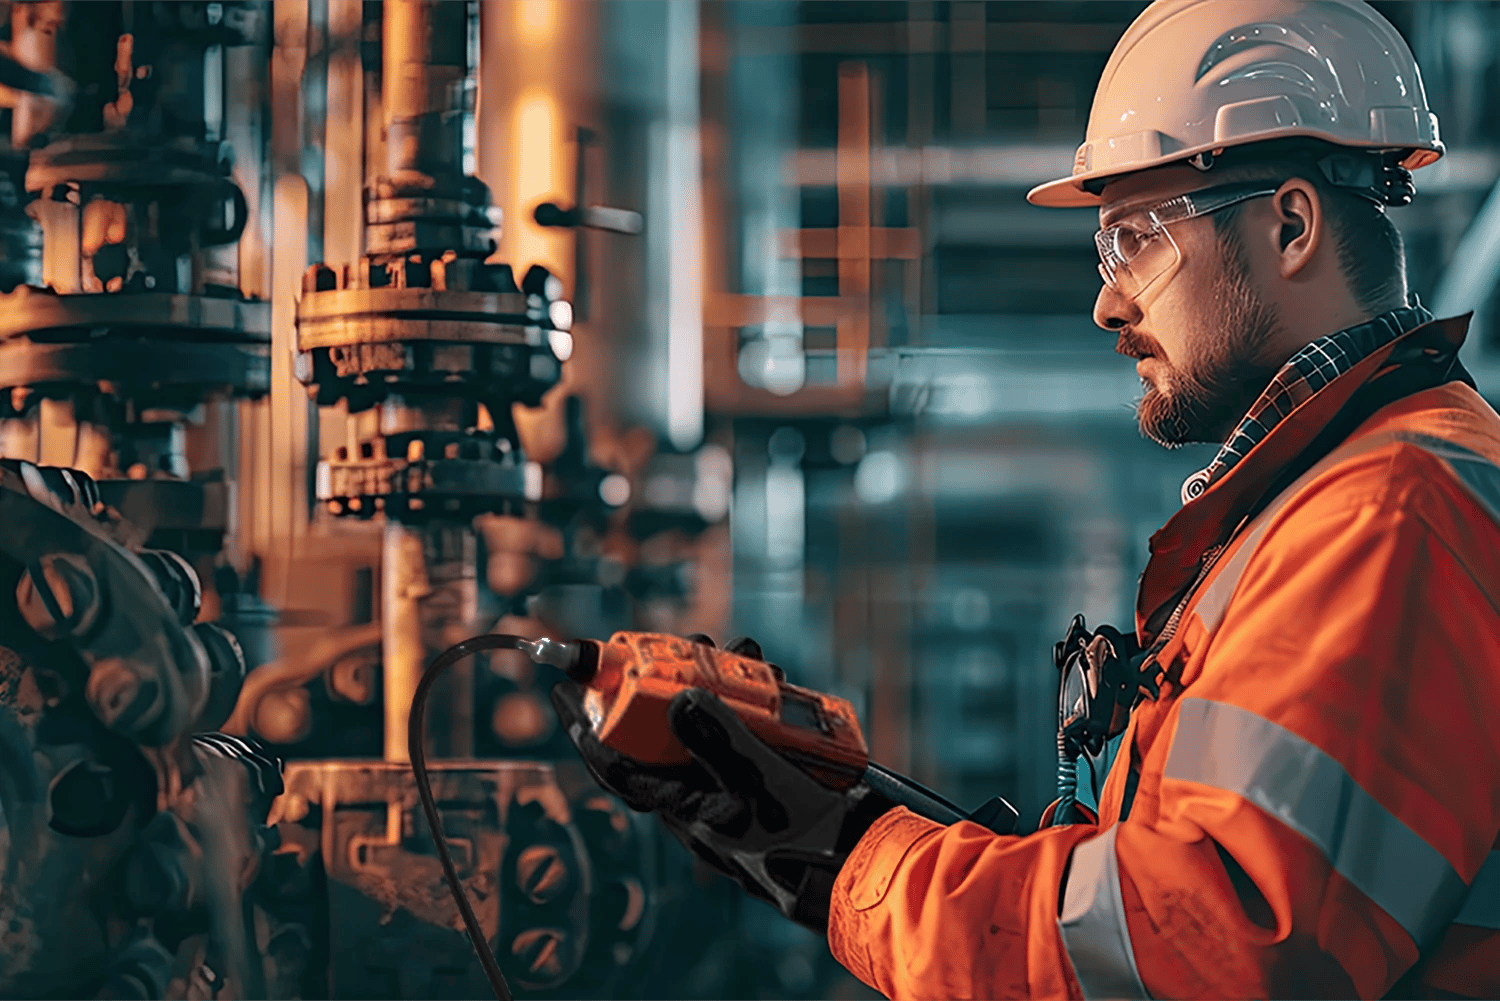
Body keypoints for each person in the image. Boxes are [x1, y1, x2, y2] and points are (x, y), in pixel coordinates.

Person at [553, 1, 1500, 997]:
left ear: (1291, 224)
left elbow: (1209, 945)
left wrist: (847, 858)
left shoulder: (1389, 512)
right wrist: (829, 815)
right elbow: (1183, 887)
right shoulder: (1330, 504)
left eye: (1136, 238)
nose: (1107, 300)